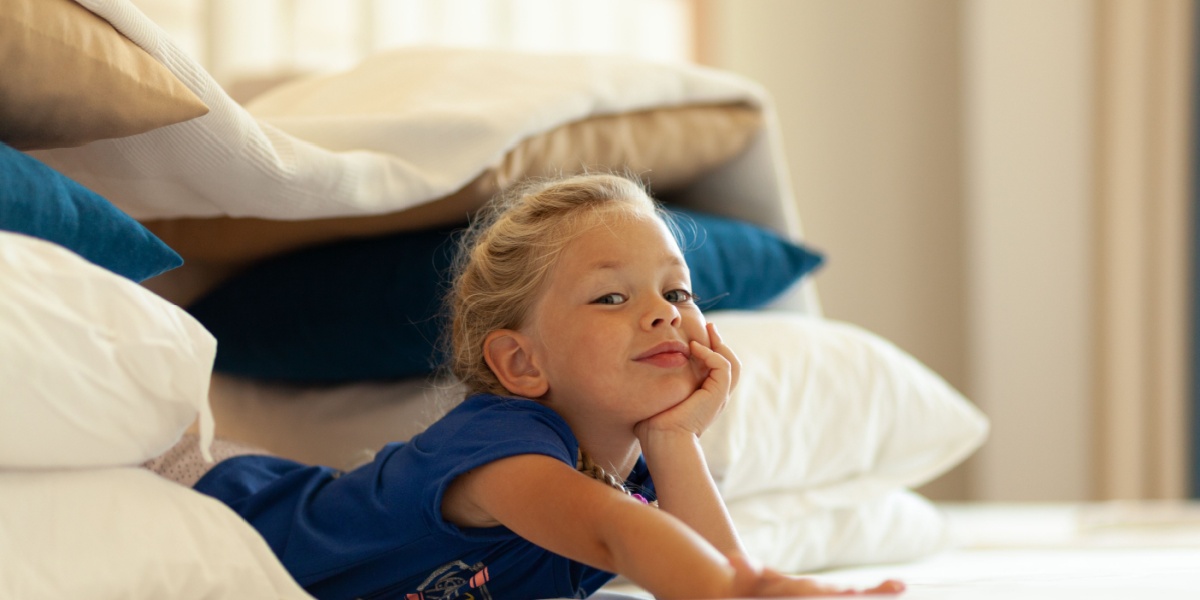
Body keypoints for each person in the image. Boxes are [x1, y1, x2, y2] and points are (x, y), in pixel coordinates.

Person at [158, 173, 905, 599]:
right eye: (612, 297)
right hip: (220, 496)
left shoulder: (632, 476)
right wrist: (753, 592)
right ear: (521, 366)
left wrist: (673, 437)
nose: (661, 315)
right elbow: (628, 539)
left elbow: (696, 556)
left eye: (677, 293)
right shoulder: (502, 444)